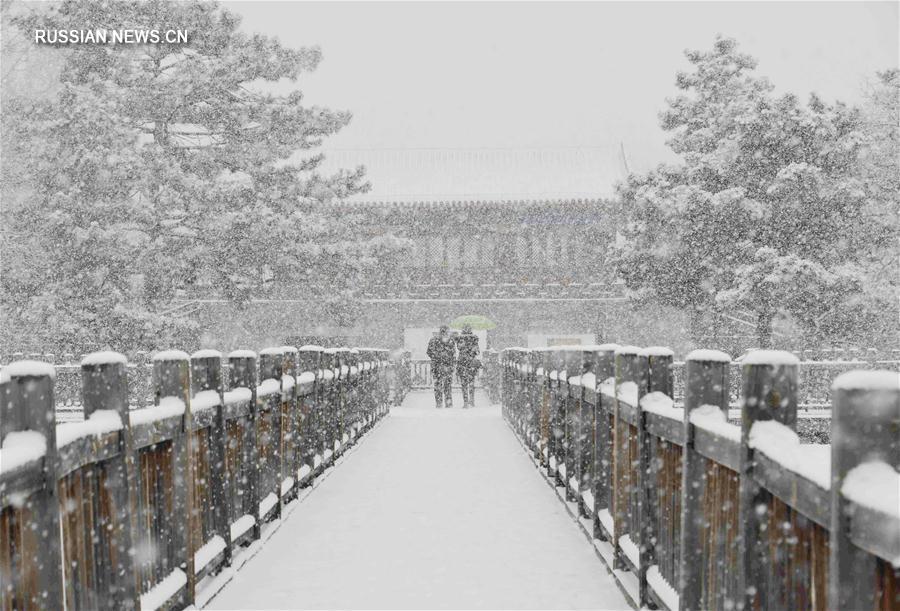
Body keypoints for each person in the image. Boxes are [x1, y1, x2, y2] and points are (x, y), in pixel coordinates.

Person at [426, 325, 456, 408]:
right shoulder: (450, 341)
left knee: (438, 385)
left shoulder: (433, 340)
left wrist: (436, 356)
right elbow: (453, 353)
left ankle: (439, 402)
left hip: (437, 366)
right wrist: (451, 363)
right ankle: (448, 402)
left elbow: (429, 352)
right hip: (447, 366)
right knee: (447, 385)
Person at [455, 325, 481, 408]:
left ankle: (466, 401)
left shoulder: (461, 339)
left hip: (463, 363)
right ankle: (470, 401)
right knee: (470, 383)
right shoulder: (472, 339)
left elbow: (459, 348)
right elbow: (477, 351)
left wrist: (466, 347)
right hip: (470, 363)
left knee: (465, 383)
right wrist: (471, 349)